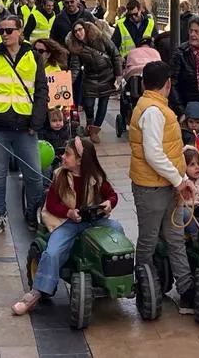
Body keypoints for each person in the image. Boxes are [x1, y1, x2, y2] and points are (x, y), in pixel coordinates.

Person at [13, 134, 122, 315]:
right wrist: (69, 212)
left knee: (117, 230)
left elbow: (112, 195)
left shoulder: (96, 177)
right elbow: (53, 204)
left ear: (80, 160)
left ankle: (111, 275)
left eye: (68, 154)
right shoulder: (60, 176)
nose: (63, 157)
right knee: (53, 251)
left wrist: (109, 203)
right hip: (68, 222)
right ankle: (37, 291)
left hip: (94, 221)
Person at [128, 61, 198, 312]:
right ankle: (146, 291)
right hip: (153, 188)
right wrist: (180, 181)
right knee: (149, 241)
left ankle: (187, 292)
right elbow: (153, 153)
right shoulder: (154, 111)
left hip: (164, 186)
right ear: (167, 83)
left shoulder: (150, 106)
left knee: (175, 238)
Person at [0, 15, 48, 234]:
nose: (4, 34)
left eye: (9, 30)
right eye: (1, 31)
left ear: (20, 31)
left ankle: (32, 211)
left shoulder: (33, 56)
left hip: (26, 126)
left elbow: (42, 90)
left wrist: (37, 121)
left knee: (34, 173)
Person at [67, 19, 119, 143]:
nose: (79, 33)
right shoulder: (75, 47)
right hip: (90, 77)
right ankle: (90, 126)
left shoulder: (99, 37)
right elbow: (75, 67)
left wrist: (118, 75)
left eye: (80, 30)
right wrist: (69, 82)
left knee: (103, 105)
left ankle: (94, 131)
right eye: (75, 32)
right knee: (89, 105)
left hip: (107, 75)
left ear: (85, 28)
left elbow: (115, 54)